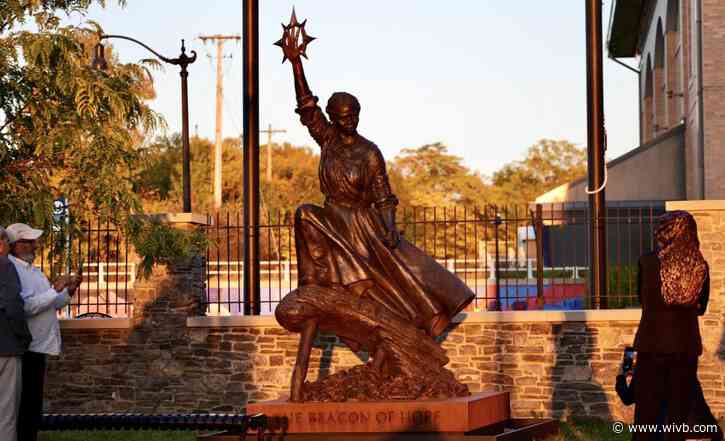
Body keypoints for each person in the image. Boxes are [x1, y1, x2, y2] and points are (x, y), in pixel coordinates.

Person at [632, 211, 710, 441]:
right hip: (685, 347)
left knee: (646, 413)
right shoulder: (700, 265)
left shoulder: (647, 261)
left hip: (651, 345)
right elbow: (701, 307)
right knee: (678, 414)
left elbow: (642, 300)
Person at [6, 223, 80, 441]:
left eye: (33, 241)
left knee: (32, 404)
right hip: (25, 347)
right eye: (26, 241)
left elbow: (50, 303)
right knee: (23, 405)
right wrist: (54, 289)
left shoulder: (34, 270)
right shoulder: (12, 271)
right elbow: (25, 308)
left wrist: (68, 292)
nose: (32, 245)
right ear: (13, 245)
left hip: (39, 346)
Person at [615, 354, 723, 440]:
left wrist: (621, 376)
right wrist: (715, 432)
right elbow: (700, 406)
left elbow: (627, 398)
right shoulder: (685, 371)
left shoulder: (644, 370)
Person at [0, 227, 32, 441]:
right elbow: (13, 305)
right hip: (5, 347)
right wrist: (23, 336)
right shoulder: (4, 265)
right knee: (5, 413)